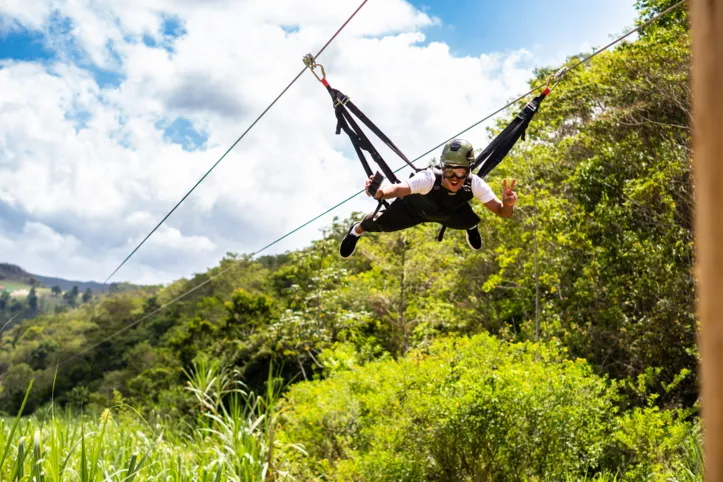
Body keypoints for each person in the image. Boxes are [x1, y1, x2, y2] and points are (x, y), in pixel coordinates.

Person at [339, 138, 518, 258]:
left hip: (450, 212)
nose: (454, 178)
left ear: (469, 170)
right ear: (443, 168)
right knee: (375, 223)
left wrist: (508, 204)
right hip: (414, 210)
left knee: (467, 218)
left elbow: (503, 212)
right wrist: (381, 193)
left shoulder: (474, 183)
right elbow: (400, 188)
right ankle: (355, 231)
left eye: (460, 171)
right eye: (449, 171)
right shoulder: (429, 178)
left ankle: (470, 225)